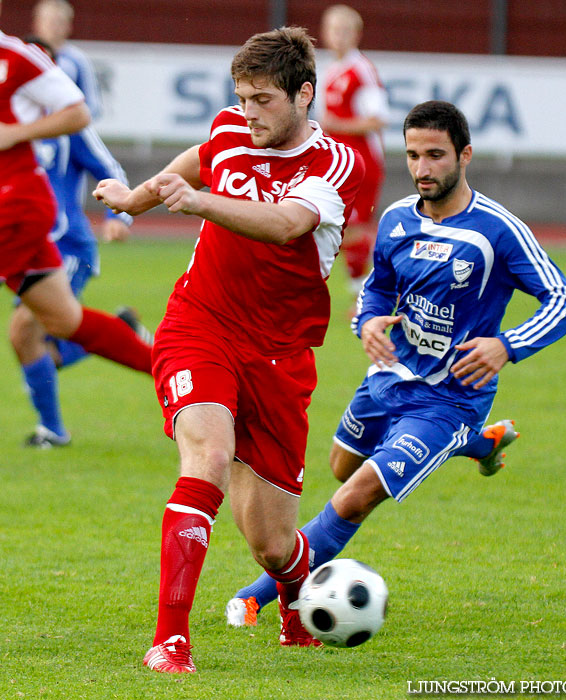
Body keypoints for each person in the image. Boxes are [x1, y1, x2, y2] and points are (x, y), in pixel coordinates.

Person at [226, 100, 566, 625]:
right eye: (414, 155)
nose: (422, 168)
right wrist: (367, 323)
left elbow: (564, 300)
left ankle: (262, 594)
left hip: (451, 395)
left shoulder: (497, 231)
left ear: (464, 155)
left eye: (436, 155)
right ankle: (476, 442)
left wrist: (506, 345)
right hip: (389, 379)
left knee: (356, 494)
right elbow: (376, 293)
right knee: (341, 465)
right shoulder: (395, 219)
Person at [92, 26, 364, 673]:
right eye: (241, 97)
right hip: (200, 323)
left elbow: (287, 224)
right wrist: (137, 198)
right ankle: (170, 641)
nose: (248, 112)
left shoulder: (334, 164)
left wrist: (199, 204)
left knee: (271, 544)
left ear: (303, 95)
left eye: (262, 99)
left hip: (279, 355)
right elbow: (198, 155)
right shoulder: (230, 130)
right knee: (209, 455)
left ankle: (298, 605)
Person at [0, 22, 152, 427]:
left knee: (29, 330)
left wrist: (120, 214)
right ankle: (180, 375)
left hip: (41, 224)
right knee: (61, 322)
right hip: (30, 225)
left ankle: (51, 428)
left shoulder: (18, 63)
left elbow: (106, 163)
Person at [320, 4, 389, 300]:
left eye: (346, 31)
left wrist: (337, 124)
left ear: (357, 35)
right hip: (339, 161)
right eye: (334, 30)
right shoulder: (331, 70)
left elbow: (377, 119)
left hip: (362, 161)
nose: (339, 37)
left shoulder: (362, 70)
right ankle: (363, 293)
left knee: (354, 229)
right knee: (336, 226)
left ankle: (367, 295)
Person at [32, 0, 102, 118]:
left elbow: (92, 104)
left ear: (69, 26)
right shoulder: (26, 55)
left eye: (59, 22)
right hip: (31, 130)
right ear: (37, 23)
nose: (53, 27)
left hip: (67, 130)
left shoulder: (77, 60)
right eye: (49, 21)